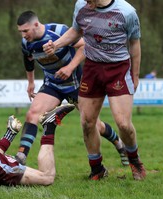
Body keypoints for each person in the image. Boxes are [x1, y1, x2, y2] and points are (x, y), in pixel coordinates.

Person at [43, 0, 146, 180]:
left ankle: (134, 160)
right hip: (92, 68)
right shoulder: (81, 6)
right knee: (87, 122)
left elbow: (135, 43)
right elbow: (76, 30)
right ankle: (97, 169)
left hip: (118, 69)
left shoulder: (127, 12)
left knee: (123, 123)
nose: (85, 1)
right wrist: (57, 44)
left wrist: (135, 75)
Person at [14, 10, 128, 169]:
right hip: (52, 85)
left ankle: (119, 144)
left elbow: (84, 46)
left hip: (76, 85)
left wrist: (69, 67)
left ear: (36, 24)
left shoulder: (59, 31)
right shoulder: (26, 43)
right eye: (20, 32)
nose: (23, 35)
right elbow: (28, 61)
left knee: (94, 125)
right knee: (33, 113)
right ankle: (20, 157)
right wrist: (31, 83)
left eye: (25, 31)